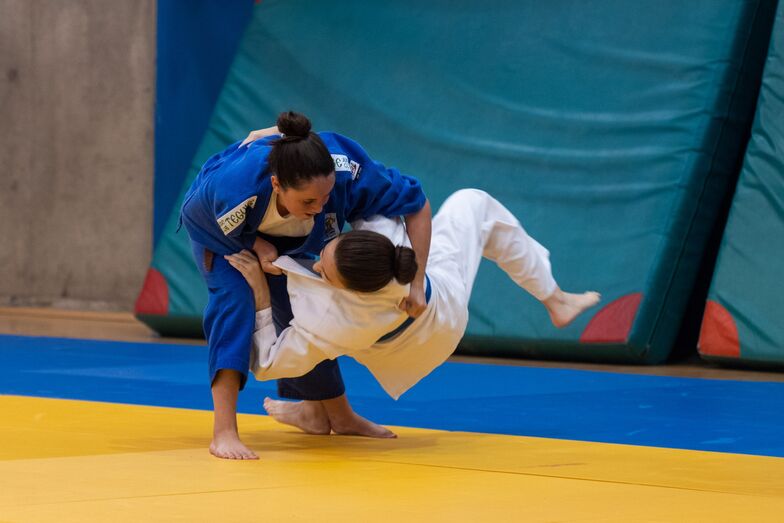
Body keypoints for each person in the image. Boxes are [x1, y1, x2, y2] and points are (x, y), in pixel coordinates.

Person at [181, 111, 432, 459]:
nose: (319, 207)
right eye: (308, 202)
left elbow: (417, 204)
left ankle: (333, 415)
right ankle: (224, 431)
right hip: (222, 232)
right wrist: (253, 245)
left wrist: (416, 284)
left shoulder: (346, 171)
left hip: (298, 243)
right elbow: (195, 220)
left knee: (310, 308)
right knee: (235, 303)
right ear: (276, 185)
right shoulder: (233, 186)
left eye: (325, 198)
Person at [225, 189, 600, 416]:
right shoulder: (388, 239)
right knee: (474, 203)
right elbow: (399, 195)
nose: (317, 261)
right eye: (327, 251)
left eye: (323, 270)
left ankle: (314, 409)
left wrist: (259, 290)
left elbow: (270, 364)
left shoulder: (332, 321)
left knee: (290, 320)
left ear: (352, 291)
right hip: (435, 310)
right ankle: (555, 298)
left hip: (427, 329)